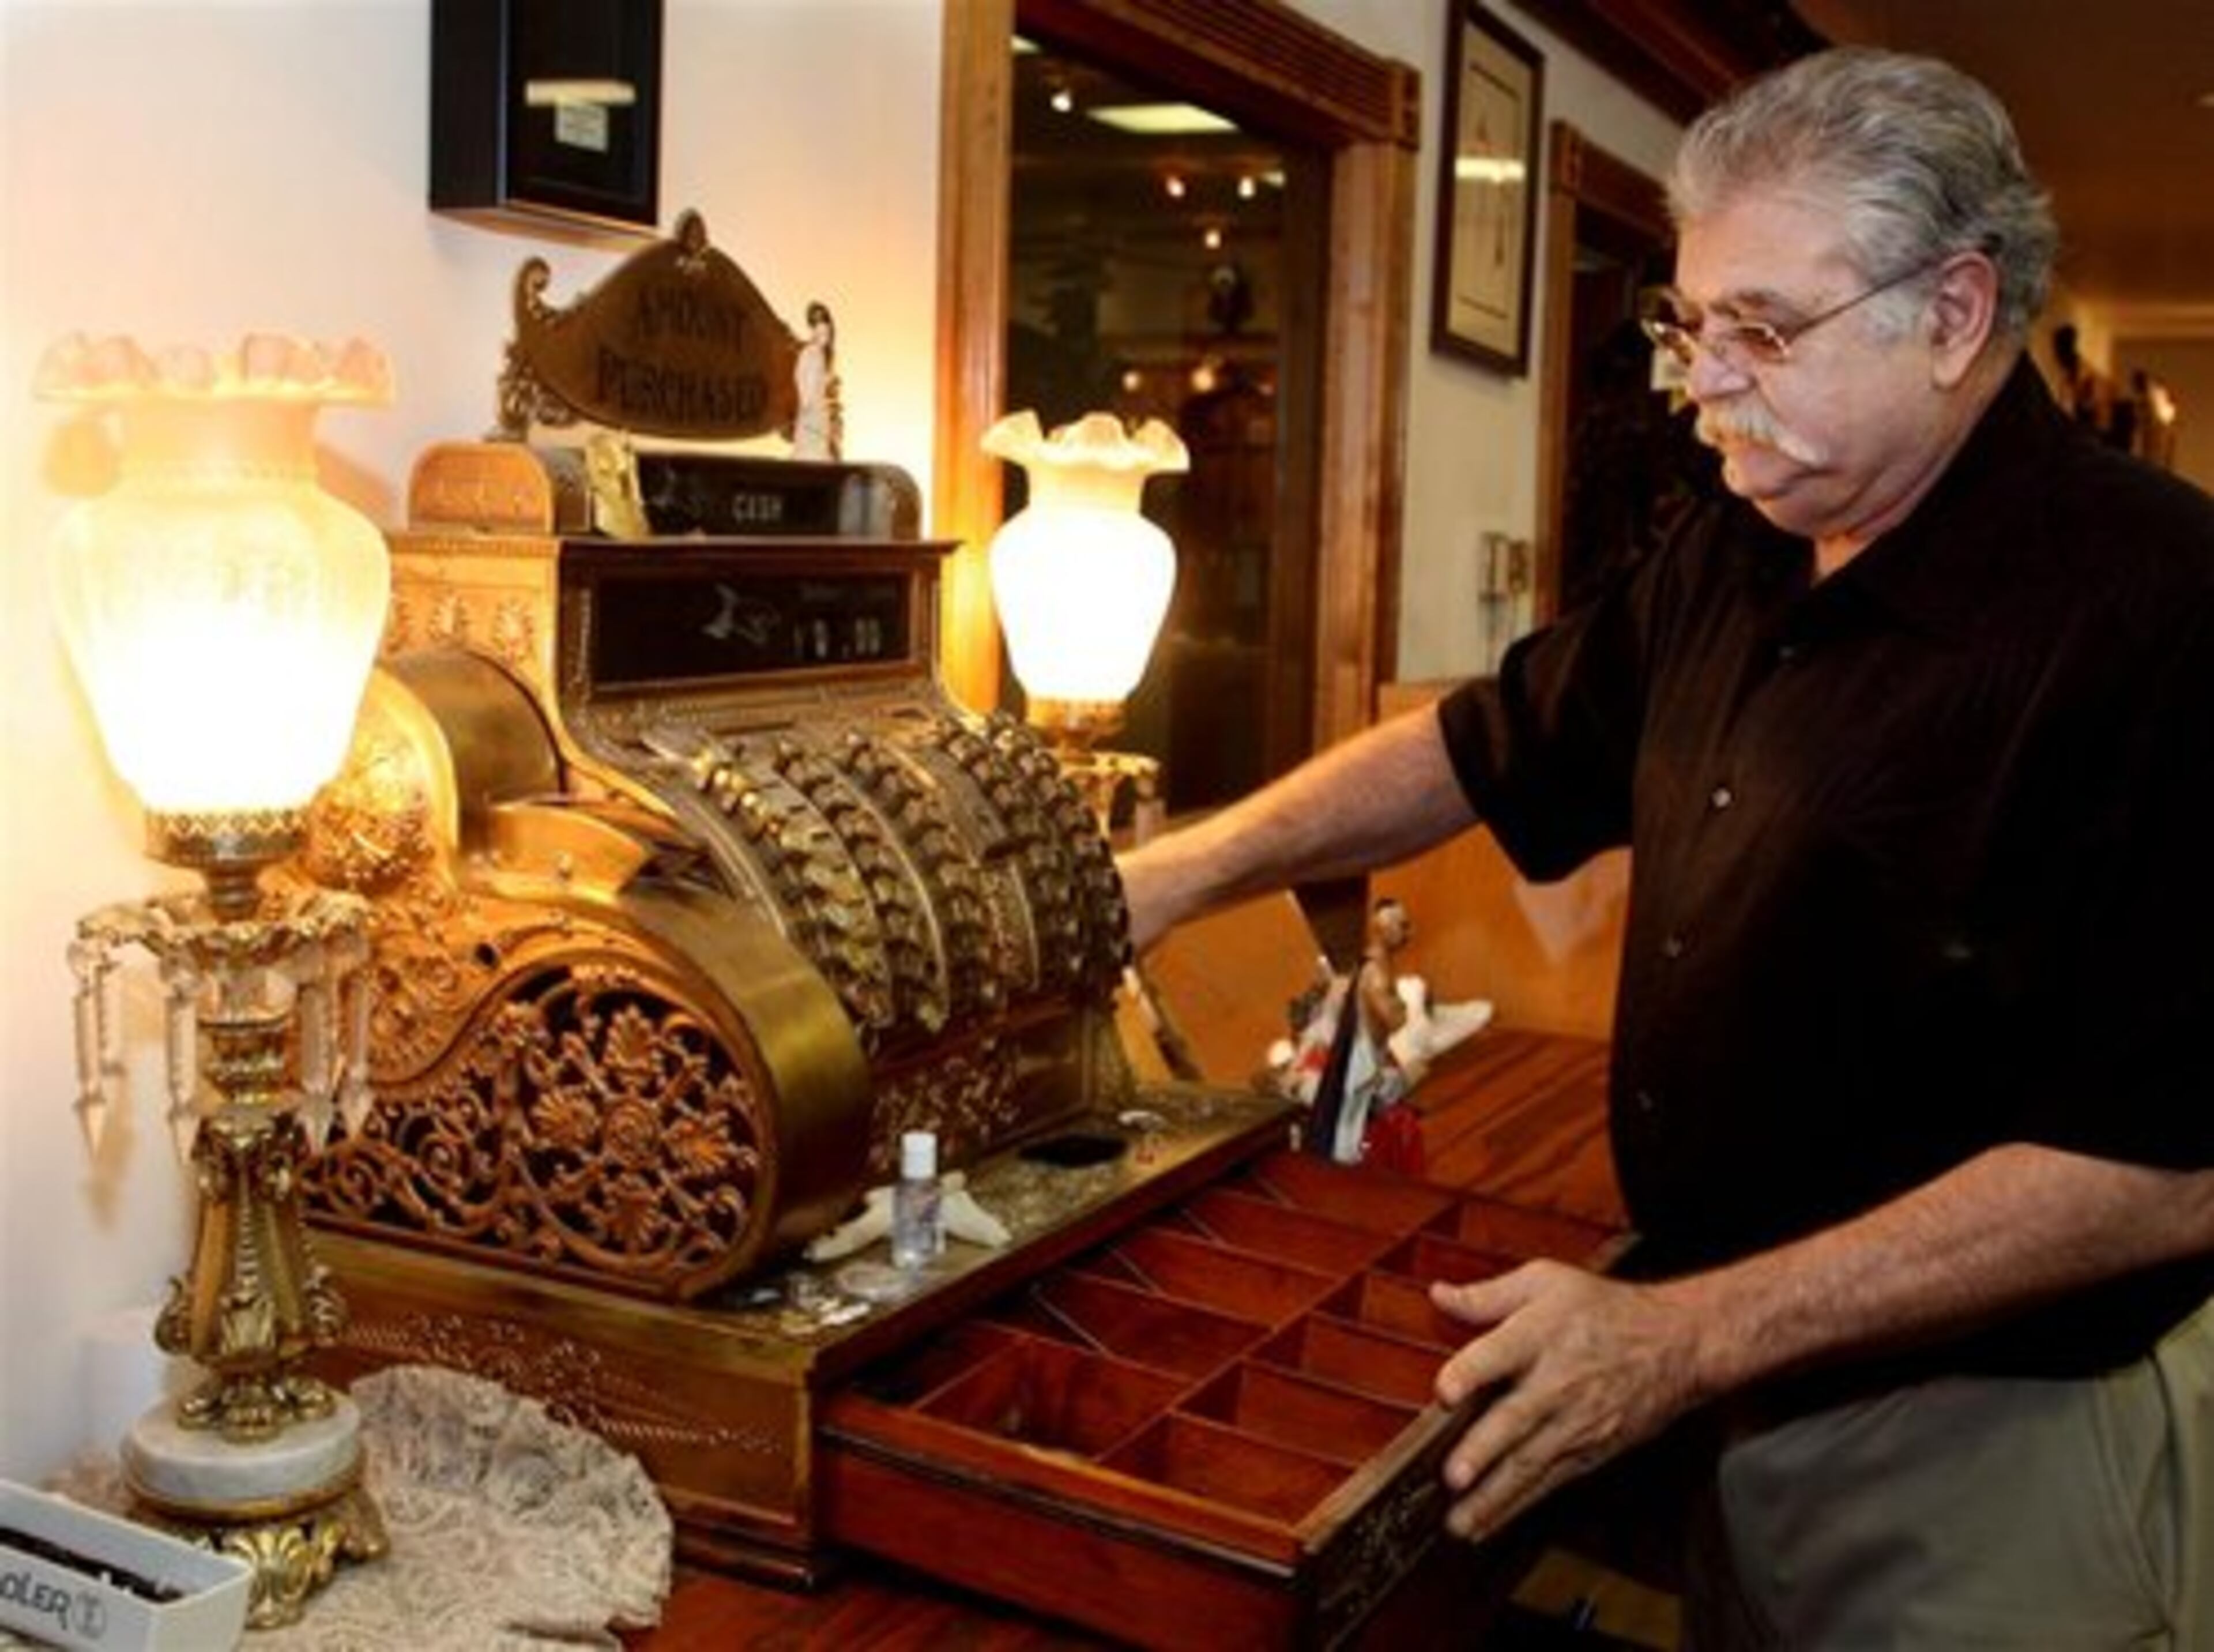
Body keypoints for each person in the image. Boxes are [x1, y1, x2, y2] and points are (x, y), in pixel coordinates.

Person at [1118, 46, 2214, 1649]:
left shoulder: (2163, 608)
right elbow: (1484, 745)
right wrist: (1186, 869)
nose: (1706, 386)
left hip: (1995, 1449)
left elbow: (2170, 1171)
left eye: (1764, 331)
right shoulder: (1743, 536)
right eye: (1692, 329)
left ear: (1957, 314)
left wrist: (1684, 1337)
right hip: (1722, 1375)